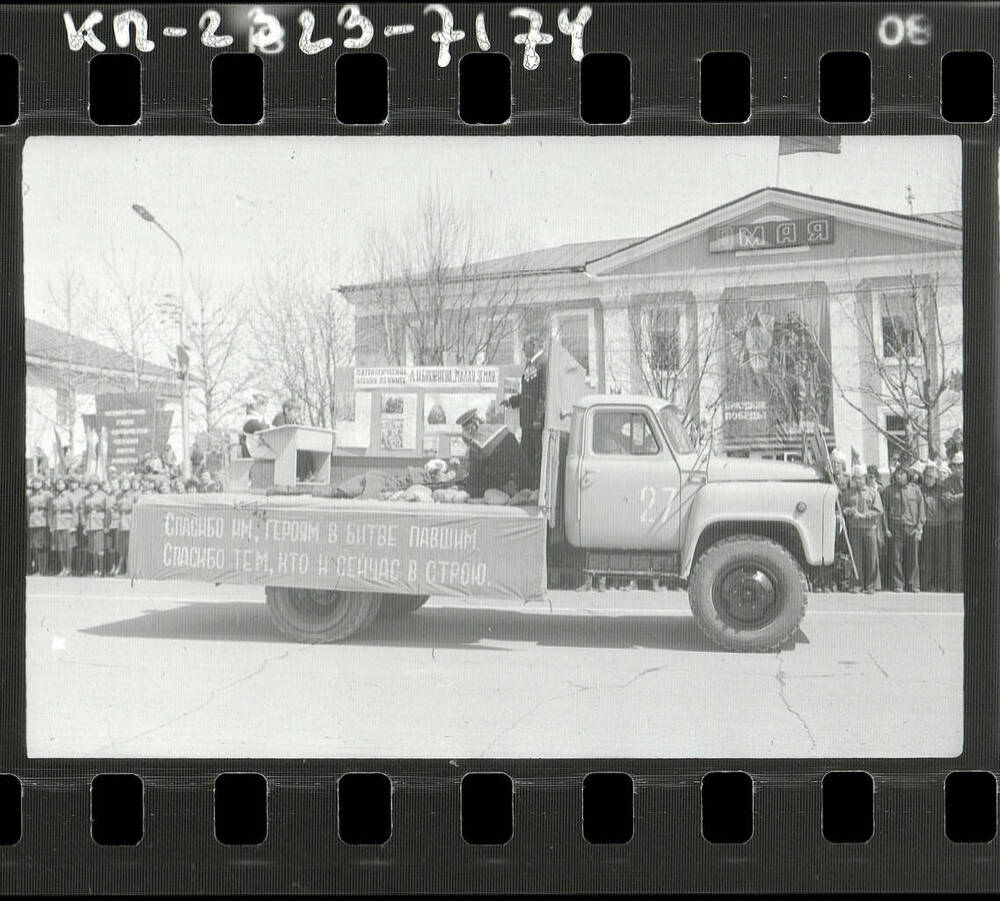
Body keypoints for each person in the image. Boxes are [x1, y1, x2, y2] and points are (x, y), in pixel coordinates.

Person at [502, 335, 547, 490]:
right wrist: (512, 401)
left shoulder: (543, 362)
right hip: (527, 422)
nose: (522, 349)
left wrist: (538, 417)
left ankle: (536, 489)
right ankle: (526, 488)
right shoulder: (532, 364)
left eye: (525, 345)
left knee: (536, 457)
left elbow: (543, 393)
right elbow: (529, 393)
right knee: (525, 456)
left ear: (533, 345)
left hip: (535, 423)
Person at [456, 408, 520, 499]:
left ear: (469, 429)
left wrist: (467, 486)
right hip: (519, 476)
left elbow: (475, 474)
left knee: (476, 487)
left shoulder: (475, 443)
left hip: (501, 479)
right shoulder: (498, 428)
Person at [882, 464, 925, 592]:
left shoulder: (915, 489)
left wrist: (919, 527)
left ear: (908, 475)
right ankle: (898, 584)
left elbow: (921, 509)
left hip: (911, 527)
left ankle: (913, 584)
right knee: (896, 557)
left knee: (913, 557)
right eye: (897, 473)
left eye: (902, 473)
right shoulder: (889, 490)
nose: (899, 476)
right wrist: (886, 528)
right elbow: (884, 510)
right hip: (895, 526)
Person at [842, 463, 883, 593]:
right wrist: (848, 511)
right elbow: (841, 508)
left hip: (869, 528)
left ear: (865, 478)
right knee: (856, 557)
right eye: (855, 478)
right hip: (854, 528)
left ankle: (872, 585)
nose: (858, 480)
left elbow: (878, 510)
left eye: (860, 478)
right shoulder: (848, 493)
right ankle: (857, 584)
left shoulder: (873, 493)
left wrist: (864, 515)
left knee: (872, 557)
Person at [942, 451, 964, 591]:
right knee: (955, 555)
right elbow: (947, 500)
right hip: (955, 521)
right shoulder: (947, 482)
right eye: (955, 466)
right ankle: (956, 585)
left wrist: (956, 496)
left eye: (960, 465)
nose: (957, 468)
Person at [49, 477, 77, 577]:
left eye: (61, 484)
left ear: (65, 485)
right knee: (60, 548)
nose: (59, 486)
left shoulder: (70, 496)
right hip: (57, 523)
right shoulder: (54, 497)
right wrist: (51, 525)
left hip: (67, 523)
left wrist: (74, 525)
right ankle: (63, 568)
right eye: (58, 484)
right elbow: (52, 512)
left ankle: (69, 568)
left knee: (68, 547)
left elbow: (75, 511)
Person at [81, 477, 107, 577]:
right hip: (90, 524)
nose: (92, 487)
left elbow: (107, 511)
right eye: (91, 485)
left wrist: (106, 525)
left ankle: (101, 570)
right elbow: (83, 512)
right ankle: (95, 569)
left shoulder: (103, 496)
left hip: (99, 523)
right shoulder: (86, 498)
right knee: (92, 548)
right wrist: (84, 526)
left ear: (98, 486)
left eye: (94, 485)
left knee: (100, 548)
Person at [27, 476, 52, 576]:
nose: (36, 484)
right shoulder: (30, 495)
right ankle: (37, 568)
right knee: (35, 546)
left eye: (38, 482)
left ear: (42, 483)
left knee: (43, 545)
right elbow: (28, 510)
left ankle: (43, 569)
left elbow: (50, 509)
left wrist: (50, 523)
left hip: (43, 521)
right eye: (34, 482)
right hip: (33, 522)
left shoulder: (47, 495)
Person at [240, 393, 269, 458]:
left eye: (266, 405)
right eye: (263, 405)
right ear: (254, 405)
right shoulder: (250, 419)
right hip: (255, 450)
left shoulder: (263, 418)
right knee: (280, 452)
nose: (266, 408)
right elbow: (263, 428)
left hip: (263, 447)